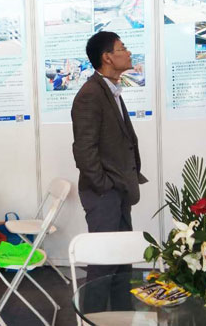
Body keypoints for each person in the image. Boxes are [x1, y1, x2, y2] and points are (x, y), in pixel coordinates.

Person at [71, 31, 148, 301]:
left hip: (119, 189)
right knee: (103, 263)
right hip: (104, 194)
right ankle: (91, 316)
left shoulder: (110, 89)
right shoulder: (90, 94)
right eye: (122, 48)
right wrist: (105, 186)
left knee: (122, 260)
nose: (128, 52)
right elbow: (84, 149)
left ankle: (120, 314)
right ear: (107, 57)